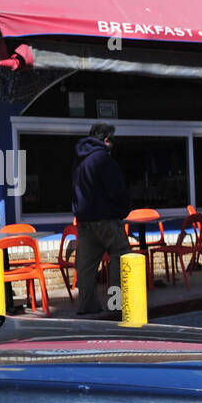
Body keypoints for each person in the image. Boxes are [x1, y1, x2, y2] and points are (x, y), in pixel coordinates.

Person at [71, 122, 131, 315]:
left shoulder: (79, 160)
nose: (112, 144)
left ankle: (87, 305)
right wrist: (123, 209)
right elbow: (117, 190)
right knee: (119, 257)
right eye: (111, 140)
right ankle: (116, 305)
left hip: (84, 221)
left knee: (87, 265)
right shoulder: (104, 160)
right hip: (106, 219)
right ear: (106, 140)